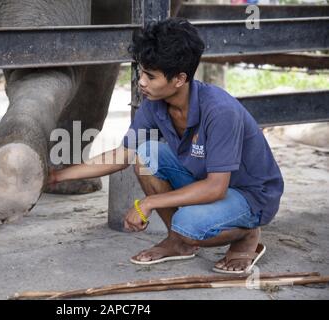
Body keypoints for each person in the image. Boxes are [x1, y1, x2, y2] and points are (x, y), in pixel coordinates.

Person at [47, 18, 284, 274]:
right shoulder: (155, 102)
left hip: (251, 195)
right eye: (140, 71)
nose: (141, 82)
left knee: (188, 225)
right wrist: (57, 176)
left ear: (180, 79)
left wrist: (147, 204)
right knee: (146, 154)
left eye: (150, 76)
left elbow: (216, 188)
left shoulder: (220, 111)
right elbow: (123, 154)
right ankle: (177, 243)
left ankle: (247, 235)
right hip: (205, 181)